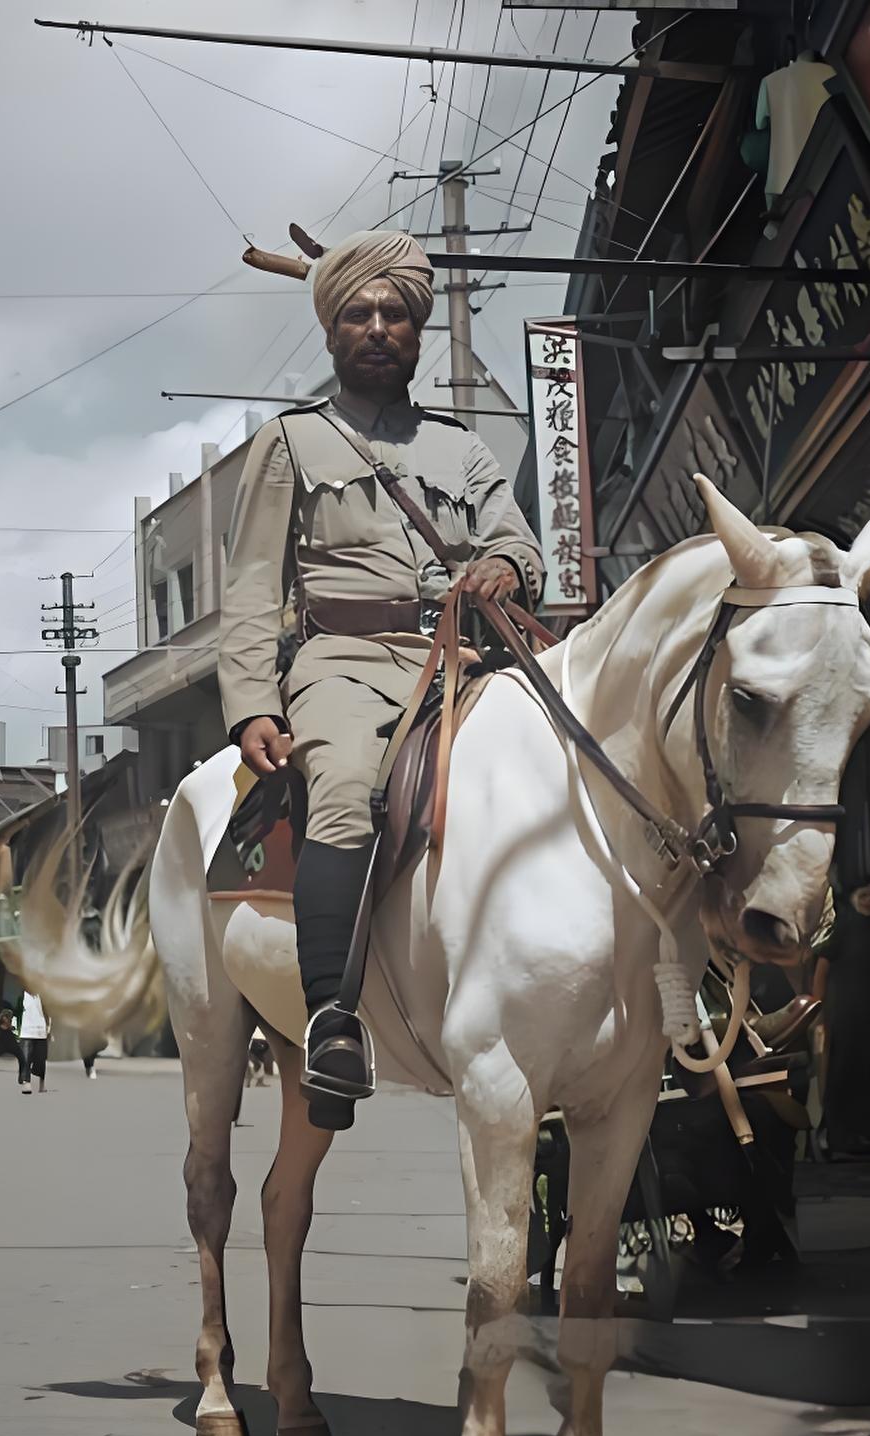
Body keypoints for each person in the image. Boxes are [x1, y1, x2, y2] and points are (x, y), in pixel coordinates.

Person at [219, 228, 544, 1126]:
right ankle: (332, 1019)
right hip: (343, 665)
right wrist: (251, 703)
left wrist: (507, 569)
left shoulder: (462, 449)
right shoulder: (291, 442)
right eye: (358, 312)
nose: (375, 326)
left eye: (394, 314)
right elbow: (250, 586)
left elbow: (516, 536)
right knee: (347, 790)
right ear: (332, 333)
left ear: (415, 333)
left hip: (459, 664)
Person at [812, 875, 870, 1156]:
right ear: (851, 898)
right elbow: (821, 970)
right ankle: (839, 1137)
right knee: (843, 1071)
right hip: (845, 1014)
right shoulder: (840, 928)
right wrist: (817, 1011)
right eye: (864, 896)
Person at [17, 990, 49, 1095]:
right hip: (26, 1031)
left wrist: (50, 1028)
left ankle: (41, 1083)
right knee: (25, 1058)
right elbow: (17, 1012)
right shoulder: (22, 995)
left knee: (41, 1058)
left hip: (41, 1031)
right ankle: (26, 1082)